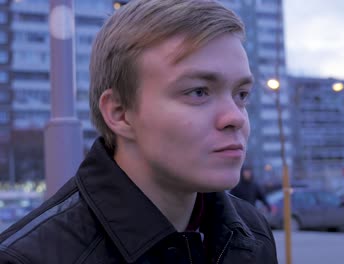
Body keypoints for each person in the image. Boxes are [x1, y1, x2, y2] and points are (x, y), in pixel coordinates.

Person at [0, 1, 278, 263]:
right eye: (198, 92)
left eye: (241, 94)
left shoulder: (252, 234)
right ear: (120, 113)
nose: (235, 118)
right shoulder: (29, 258)